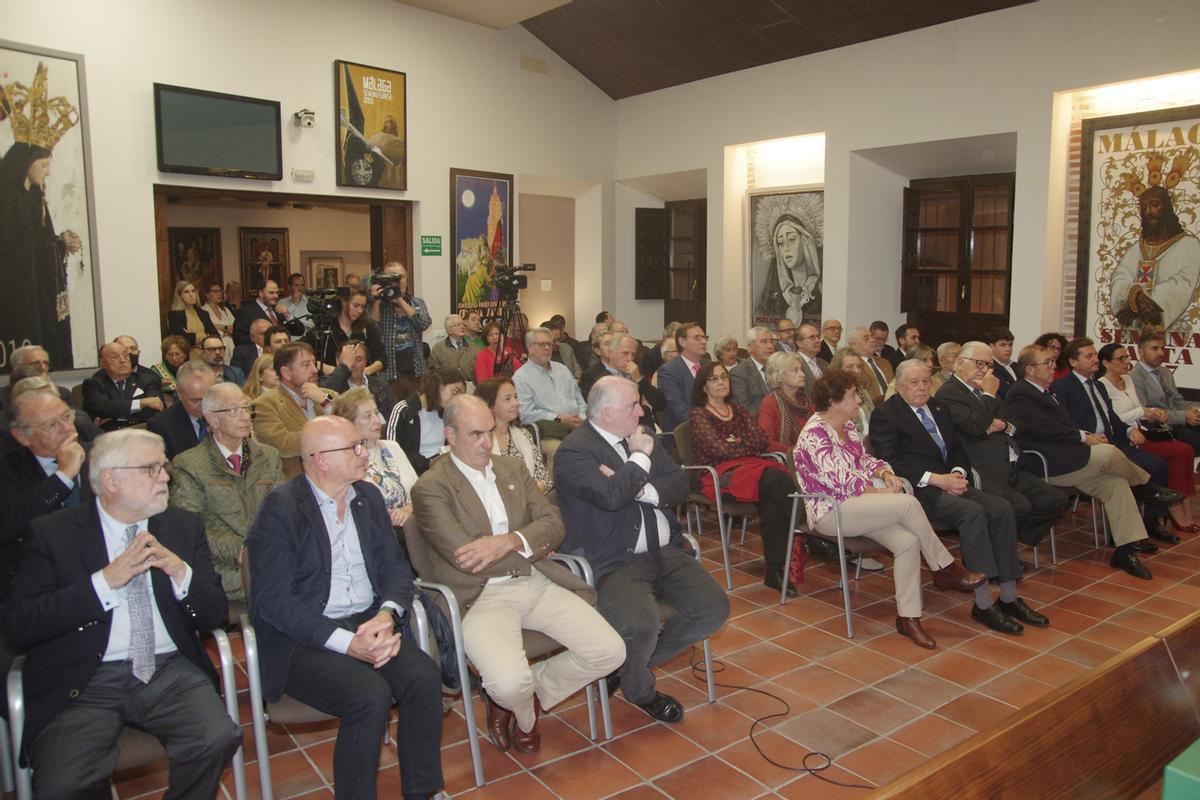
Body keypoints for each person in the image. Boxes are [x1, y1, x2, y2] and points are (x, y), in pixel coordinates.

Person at [2, 428, 241, 798]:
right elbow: (20, 627)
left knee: (217, 737)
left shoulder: (181, 526)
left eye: (163, 467)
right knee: (64, 781)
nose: (165, 476)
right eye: (151, 469)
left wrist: (181, 574)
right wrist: (103, 583)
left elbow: (214, 616)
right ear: (110, 480)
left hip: (167, 669)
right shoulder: (53, 534)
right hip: (83, 678)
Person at [411, 395, 625, 752]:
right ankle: (521, 709)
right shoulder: (430, 487)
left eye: (490, 432)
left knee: (610, 652)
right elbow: (465, 557)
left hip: (535, 580)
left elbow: (554, 523)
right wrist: (527, 544)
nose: (486, 442)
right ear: (449, 434)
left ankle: (524, 696)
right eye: (475, 434)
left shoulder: (511, 469)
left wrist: (509, 540)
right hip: (479, 597)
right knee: (509, 683)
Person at [247, 417, 445, 799]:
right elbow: (273, 602)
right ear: (320, 460)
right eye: (353, 447)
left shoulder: (366, 497)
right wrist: (347, 642)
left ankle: (423, 791)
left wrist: (386, 616)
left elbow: (394, 568)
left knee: (422, 676)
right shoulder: (281, 510)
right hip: (304, 639)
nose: (363, 453)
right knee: (367, 694)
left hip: (367, 622)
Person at [555, 375, 729, 718]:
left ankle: (625, 667)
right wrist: (638, 461)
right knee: (640, 624)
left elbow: (679, 482)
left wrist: (640, 488)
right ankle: (640, 689)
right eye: (632, 405)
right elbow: (610, 497)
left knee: (714, 609)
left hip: (665, 550)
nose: (641, 411)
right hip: (615, 560)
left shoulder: (644, 435)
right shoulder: (574, 452)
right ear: (606, 413)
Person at [795, 369, 987, 648]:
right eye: (852, 396)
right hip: (830, 510)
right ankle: (945, 567)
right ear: (834, 401)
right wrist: (882, 490)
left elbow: (867, 461)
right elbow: (842, 484)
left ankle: (908, 617)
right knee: (908, 503)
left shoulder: (847, 427)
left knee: (908, 542)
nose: (859, 402)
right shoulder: (814, 434)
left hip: (860, 507)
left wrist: (884, 473)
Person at [870, 360, 1047, 635]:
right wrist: (938, 479)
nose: (921, 388)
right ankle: (984, 604)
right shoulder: (886, 414)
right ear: (900, 386)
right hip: (920, 490)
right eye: (914, 383)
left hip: (951, 482)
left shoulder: (938, 409)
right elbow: (892, 461)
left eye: (926, 381)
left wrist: (955, 472)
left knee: (1001, 508)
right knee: (972, 512)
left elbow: (956, 449)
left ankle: (1010, 596)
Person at [1006, 344, 1167, 579]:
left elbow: (1065, 425)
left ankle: (1125, 551)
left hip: (1069, 457)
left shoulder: (1044, 390)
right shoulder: (1021, 392)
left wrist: (1086, 436)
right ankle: (1146, 487)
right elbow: (1044, 427)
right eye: (1047, 363)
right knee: (1109, 452)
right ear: (1030, 369)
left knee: (1115, 484)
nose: (1053, 367)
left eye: (1053, 362)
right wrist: (1084, 437)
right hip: (1047, 463)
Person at [936, 342, 1068, 549]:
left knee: (1055, 500)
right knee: (1019, 507)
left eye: (989, 366)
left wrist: (1003, 425)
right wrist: (988, 396)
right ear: (960, 363)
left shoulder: (988, 391)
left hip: (1010, 466)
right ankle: (1001, 548)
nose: (985, 370)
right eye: (979, 364)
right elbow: (974, 427)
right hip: (983, 469)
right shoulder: (949, 393)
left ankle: (1007, 540)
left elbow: (1017, 424)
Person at [1053, 337, 1179, 544]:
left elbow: (1112, 418)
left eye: (1095, 354)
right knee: (1133, 473)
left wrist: (1129, 430)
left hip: (1112, 442)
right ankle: (1143, 496)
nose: (1096, 359)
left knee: (1157, 466)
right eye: (1090, 356)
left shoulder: (1097, 385)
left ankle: (1151, 523)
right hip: (1087, 447)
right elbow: (1065, 426)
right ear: (1073, 362)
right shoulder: (1063, 387)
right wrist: (1089, 438)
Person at [688, 360, 797, 595]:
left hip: (753, 469)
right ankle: (802, 536)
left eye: (724, 377)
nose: (721, 382)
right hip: (720, 475)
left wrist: (736, 442)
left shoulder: (737, 410)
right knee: (776, 480)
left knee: (773, 497)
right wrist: (742, 443)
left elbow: (760, 440)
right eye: (714, 379)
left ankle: (775, 569)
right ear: (703, 387)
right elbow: (719, 451)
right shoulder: (699, 414)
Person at [170, 382, 282, 602]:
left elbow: (284, 511)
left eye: (246, 408)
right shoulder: (189, 464)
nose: (244, 416)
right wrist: (242, 551)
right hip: (225, 571)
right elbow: (191, 529)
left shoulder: (268, 457)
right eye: (233, 410)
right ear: (212, 419)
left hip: (274, 563)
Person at [0, 389, 93, 602]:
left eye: (66, 416)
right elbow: (9, 524)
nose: (67, 428)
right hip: (35, 584)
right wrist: (63, 476)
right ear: (22, 437)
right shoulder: (7, 469)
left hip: (100, 570)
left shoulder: (100, 454)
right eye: (51, 425)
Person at [1099, 341, 1199, 533]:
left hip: (1142, 432)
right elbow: (1113, 419)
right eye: (1121, 358)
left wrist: (1153, 412)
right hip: (1125, 438)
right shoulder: (1102, 385)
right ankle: (1169, 509)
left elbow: (1140, 409)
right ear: (1106, 363)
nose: (1126, 362)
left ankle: (1176, 503)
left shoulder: (1127, 380)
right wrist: (1142, 412)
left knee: (1183, 451)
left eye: (1127, 357)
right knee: (1176, 453)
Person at [0, 138, 81, 369]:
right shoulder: (7, 199)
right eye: (44, 165)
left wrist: (60, 241)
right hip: (14, 288)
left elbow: (40, 241)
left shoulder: (35, 198)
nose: (48, 173)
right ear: (26, 163)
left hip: (36, 286)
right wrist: (56, 245)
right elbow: (16, 248)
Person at [1112, 186, 1200, 331]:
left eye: (1154, 205)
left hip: (1173, 329)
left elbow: (1182, 284)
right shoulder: (1135, 249)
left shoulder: (1188, 245)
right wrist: (1134, 295)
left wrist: (1140, 302)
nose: (1148, 212)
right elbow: (1120, 277)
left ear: (1167, 208)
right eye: (1143, 207)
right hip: (1133, 328)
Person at [332, 387, 417, 530]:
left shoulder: (393, 447)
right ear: (349, 423)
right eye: (367, 416)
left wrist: (407, 510)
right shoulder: (348, 460)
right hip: (377, 533)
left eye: (376, 413)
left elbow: (419, 492)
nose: (377, 420)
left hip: (413, 525)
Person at [253, 342, 338, 478]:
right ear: (286, 372)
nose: (315, 370)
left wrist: (325, 403)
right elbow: (283, 444)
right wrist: (329, 436)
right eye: (306, 365)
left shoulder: (328, 395)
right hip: (297, 480)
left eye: (314, 363)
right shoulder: (264, 405)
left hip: (337, 474)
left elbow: (351, 427)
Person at [513, 327, 588, 467]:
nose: (547, 348)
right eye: (542, 344)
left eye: (550, 344)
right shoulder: (521, 377)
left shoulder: (562, 369)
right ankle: (555, 489)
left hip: (578, 424)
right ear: (530, 348)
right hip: (548, 431)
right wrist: (558, 418)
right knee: (559, 450)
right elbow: (526, 414)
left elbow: (580, 400)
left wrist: (582, 417)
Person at [1129, 327, 1200, 453]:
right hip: (1160, 427)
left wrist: (1192, 411)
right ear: (1141, 351)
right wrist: (1184, 416)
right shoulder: (1134, 377)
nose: (1161, 353)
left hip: (1178, 421)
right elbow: (1147, 412)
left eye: (1162, 349)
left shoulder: (1165, 371)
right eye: (1154, 349)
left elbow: (1177, 399)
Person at [476, 377, 552, 491]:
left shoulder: (523, 434)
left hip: (533, 500)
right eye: (508, 399)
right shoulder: (479, 441)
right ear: (489, 405)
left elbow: (544, 478)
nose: (516, 403)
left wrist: (530, 494)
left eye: (516, 397)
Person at [385, 367, 466, 474]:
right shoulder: (404, 410)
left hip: (443, 470)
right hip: (413, 472)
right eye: (455, 391)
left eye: (461, 394)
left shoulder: (448, 414)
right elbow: (393, 451)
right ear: (439, 386)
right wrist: (430, 463)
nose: (457, 398)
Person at [370, 261, 432, 399]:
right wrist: (376, 301)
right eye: (392, 278)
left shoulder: (417, 303)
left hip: (415, 372)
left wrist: (401, 302)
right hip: (387, 374)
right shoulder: (377, 305)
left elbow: (424, 323)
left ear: (407, 279)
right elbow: (371, 331)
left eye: (401, 277)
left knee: (414, 413)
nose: (397, 282)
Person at [757, 200, 822, 325]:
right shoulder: (771, 297)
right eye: (781, 243)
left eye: (792, 239)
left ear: (805, 242)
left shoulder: (820, 289)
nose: (786, 248)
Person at [82, 341, 164, 431]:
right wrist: (141, 403)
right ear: (102, 362)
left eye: (125, 356)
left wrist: (114, 416)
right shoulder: (93, 384)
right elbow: (102, 408)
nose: (122, 360)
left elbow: (155, 410)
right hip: (109, 437)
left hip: (141, 432)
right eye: (114, 357)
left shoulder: (148, 380)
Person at [148, 361, 217, 460]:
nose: (203, 405)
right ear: (179, 394)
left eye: (208, 397)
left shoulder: (225, 413)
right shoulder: (161, 425)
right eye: (195, 400)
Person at [308, 287, 385, 375]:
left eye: (363, 307)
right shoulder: (326, 327)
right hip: (331, 382)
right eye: (356, 305)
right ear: (343, 303)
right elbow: (303, 352)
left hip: (362, 382)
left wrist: (363, 372)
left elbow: (381, 360)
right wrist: (328, 368)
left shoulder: (368, 327)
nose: (360, 310)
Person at [323, 339, 398, 420]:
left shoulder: (381, 386)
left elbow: (395, 418)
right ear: (338, 361)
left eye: (358, 360)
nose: (352, 364)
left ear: (365, 362)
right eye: (349, 360)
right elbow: (326, 399)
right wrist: (344, 367)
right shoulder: (327, 383)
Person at [758, 350, 814, 453]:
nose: (802, 374)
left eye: (801, 370)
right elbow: (767, 442)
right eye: (795, 370)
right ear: (779, 376)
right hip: (787, 459)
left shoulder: (805, 401)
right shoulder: (770, 403)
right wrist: (797, 452)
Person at [658, 323, 709, 431]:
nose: (704, 342)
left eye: (704, 337)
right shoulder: (669, 371)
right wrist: (707, 427)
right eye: (697, 338)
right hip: (685, 433)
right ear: (682, 342)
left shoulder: (709, 365)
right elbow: (680, 411)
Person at [0, 345, 71, 420]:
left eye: (46, 364)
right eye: (36, 364)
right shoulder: (2, 398)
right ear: (17, 368)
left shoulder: (62, 393)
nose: (44, 368)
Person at [729, 326, 775, 416]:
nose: (770, 346)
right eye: (764, 341)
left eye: (772, 342)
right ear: (750, 347)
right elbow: (744, 409)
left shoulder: (778, 369)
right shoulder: (738, 373)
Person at [829, 348, 874, 436]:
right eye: (850, 367)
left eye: (858, 366)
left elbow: (875, 421)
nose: (856, 371)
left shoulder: (863, 391)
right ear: (837, 370)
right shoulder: (833, 397)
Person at [233, 278, 291, 346]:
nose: (276, 296)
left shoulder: (278, 310)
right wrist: (260, 339)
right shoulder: (246, 311)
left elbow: (299, 331)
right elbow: (238, 338)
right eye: (271, 293)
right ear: (261, 293)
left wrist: (288, 315)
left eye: (277, 293)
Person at [166, 279, 219, 347]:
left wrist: (194, 337)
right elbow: (182, 340)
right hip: (188, 354)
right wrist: (205, 335)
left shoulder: (203, 313)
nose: (191, 294)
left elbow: (216, 336)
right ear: (179, 295)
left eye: (193, 291)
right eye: (186, 292)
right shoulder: (174, 315)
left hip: (206, 353)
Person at [848, 326, 891, 404]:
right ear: (854, 345)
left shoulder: (885, 363)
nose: (872, 340)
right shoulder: (853, 366)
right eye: (866, 339)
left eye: (871, 336)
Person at [203, 282, 237, 353]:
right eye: (215, 291)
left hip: (230, 345)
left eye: (220, 291)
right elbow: (209, 329)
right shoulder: (203, 311)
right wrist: (226, 329)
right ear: (207, 294)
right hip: (214, 347)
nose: (219, 294)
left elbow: (235, 327)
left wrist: (220, 327)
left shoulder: (225, 310)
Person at [986, 326, 1019, 399]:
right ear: (992, 347)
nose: (1008, 349)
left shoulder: (1017, 366)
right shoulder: (990, 369)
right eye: (1003, 345)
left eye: (1010, 345)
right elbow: (1006, 393)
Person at [792, 322, 828, 388]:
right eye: (812, 337)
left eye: (818, 336)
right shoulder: (791, 363)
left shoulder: (824, 364)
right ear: (799, 342)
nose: (817, 340)